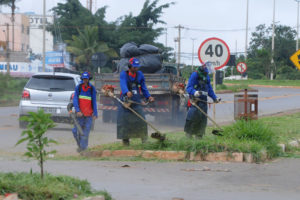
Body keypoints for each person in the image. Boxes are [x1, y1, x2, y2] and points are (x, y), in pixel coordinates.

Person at [117, 57, 154, 146]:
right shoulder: (123, 74)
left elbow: (144, 88)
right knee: (124, 122)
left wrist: (148, 97)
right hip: (126, 102)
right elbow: (123, 84)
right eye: (134, 67)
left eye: (137, 67)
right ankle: (125, 141)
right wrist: (127, 92)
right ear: (129, 66)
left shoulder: (140, 75)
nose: (136, 69)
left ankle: (144, 140)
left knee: (141, 120)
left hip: (136, 101)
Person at [184, 61, 221, 139]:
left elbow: (209, 89)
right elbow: (188, 87)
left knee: (202, 120)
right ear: (204, 67)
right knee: (193, 118)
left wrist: (215, 98)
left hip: (204, 102)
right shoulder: (195, 74)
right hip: (196, 101)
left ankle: (199, 137)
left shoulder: (206, 76)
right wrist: (195, 92)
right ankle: (188, 136)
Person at [72, 71, 98, 152]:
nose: (85, 80)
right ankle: (80, 146)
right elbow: (75, 100)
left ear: (88, 79)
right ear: (82, 79)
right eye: (84, 79)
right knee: (75, 131)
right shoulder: (78, 88)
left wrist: (95, 113)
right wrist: (78, 110)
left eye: (86, 79)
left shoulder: (92, 89)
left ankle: (83, 149)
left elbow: (94, 101)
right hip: (80, 115)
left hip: (89, 115)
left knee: (85, 133)